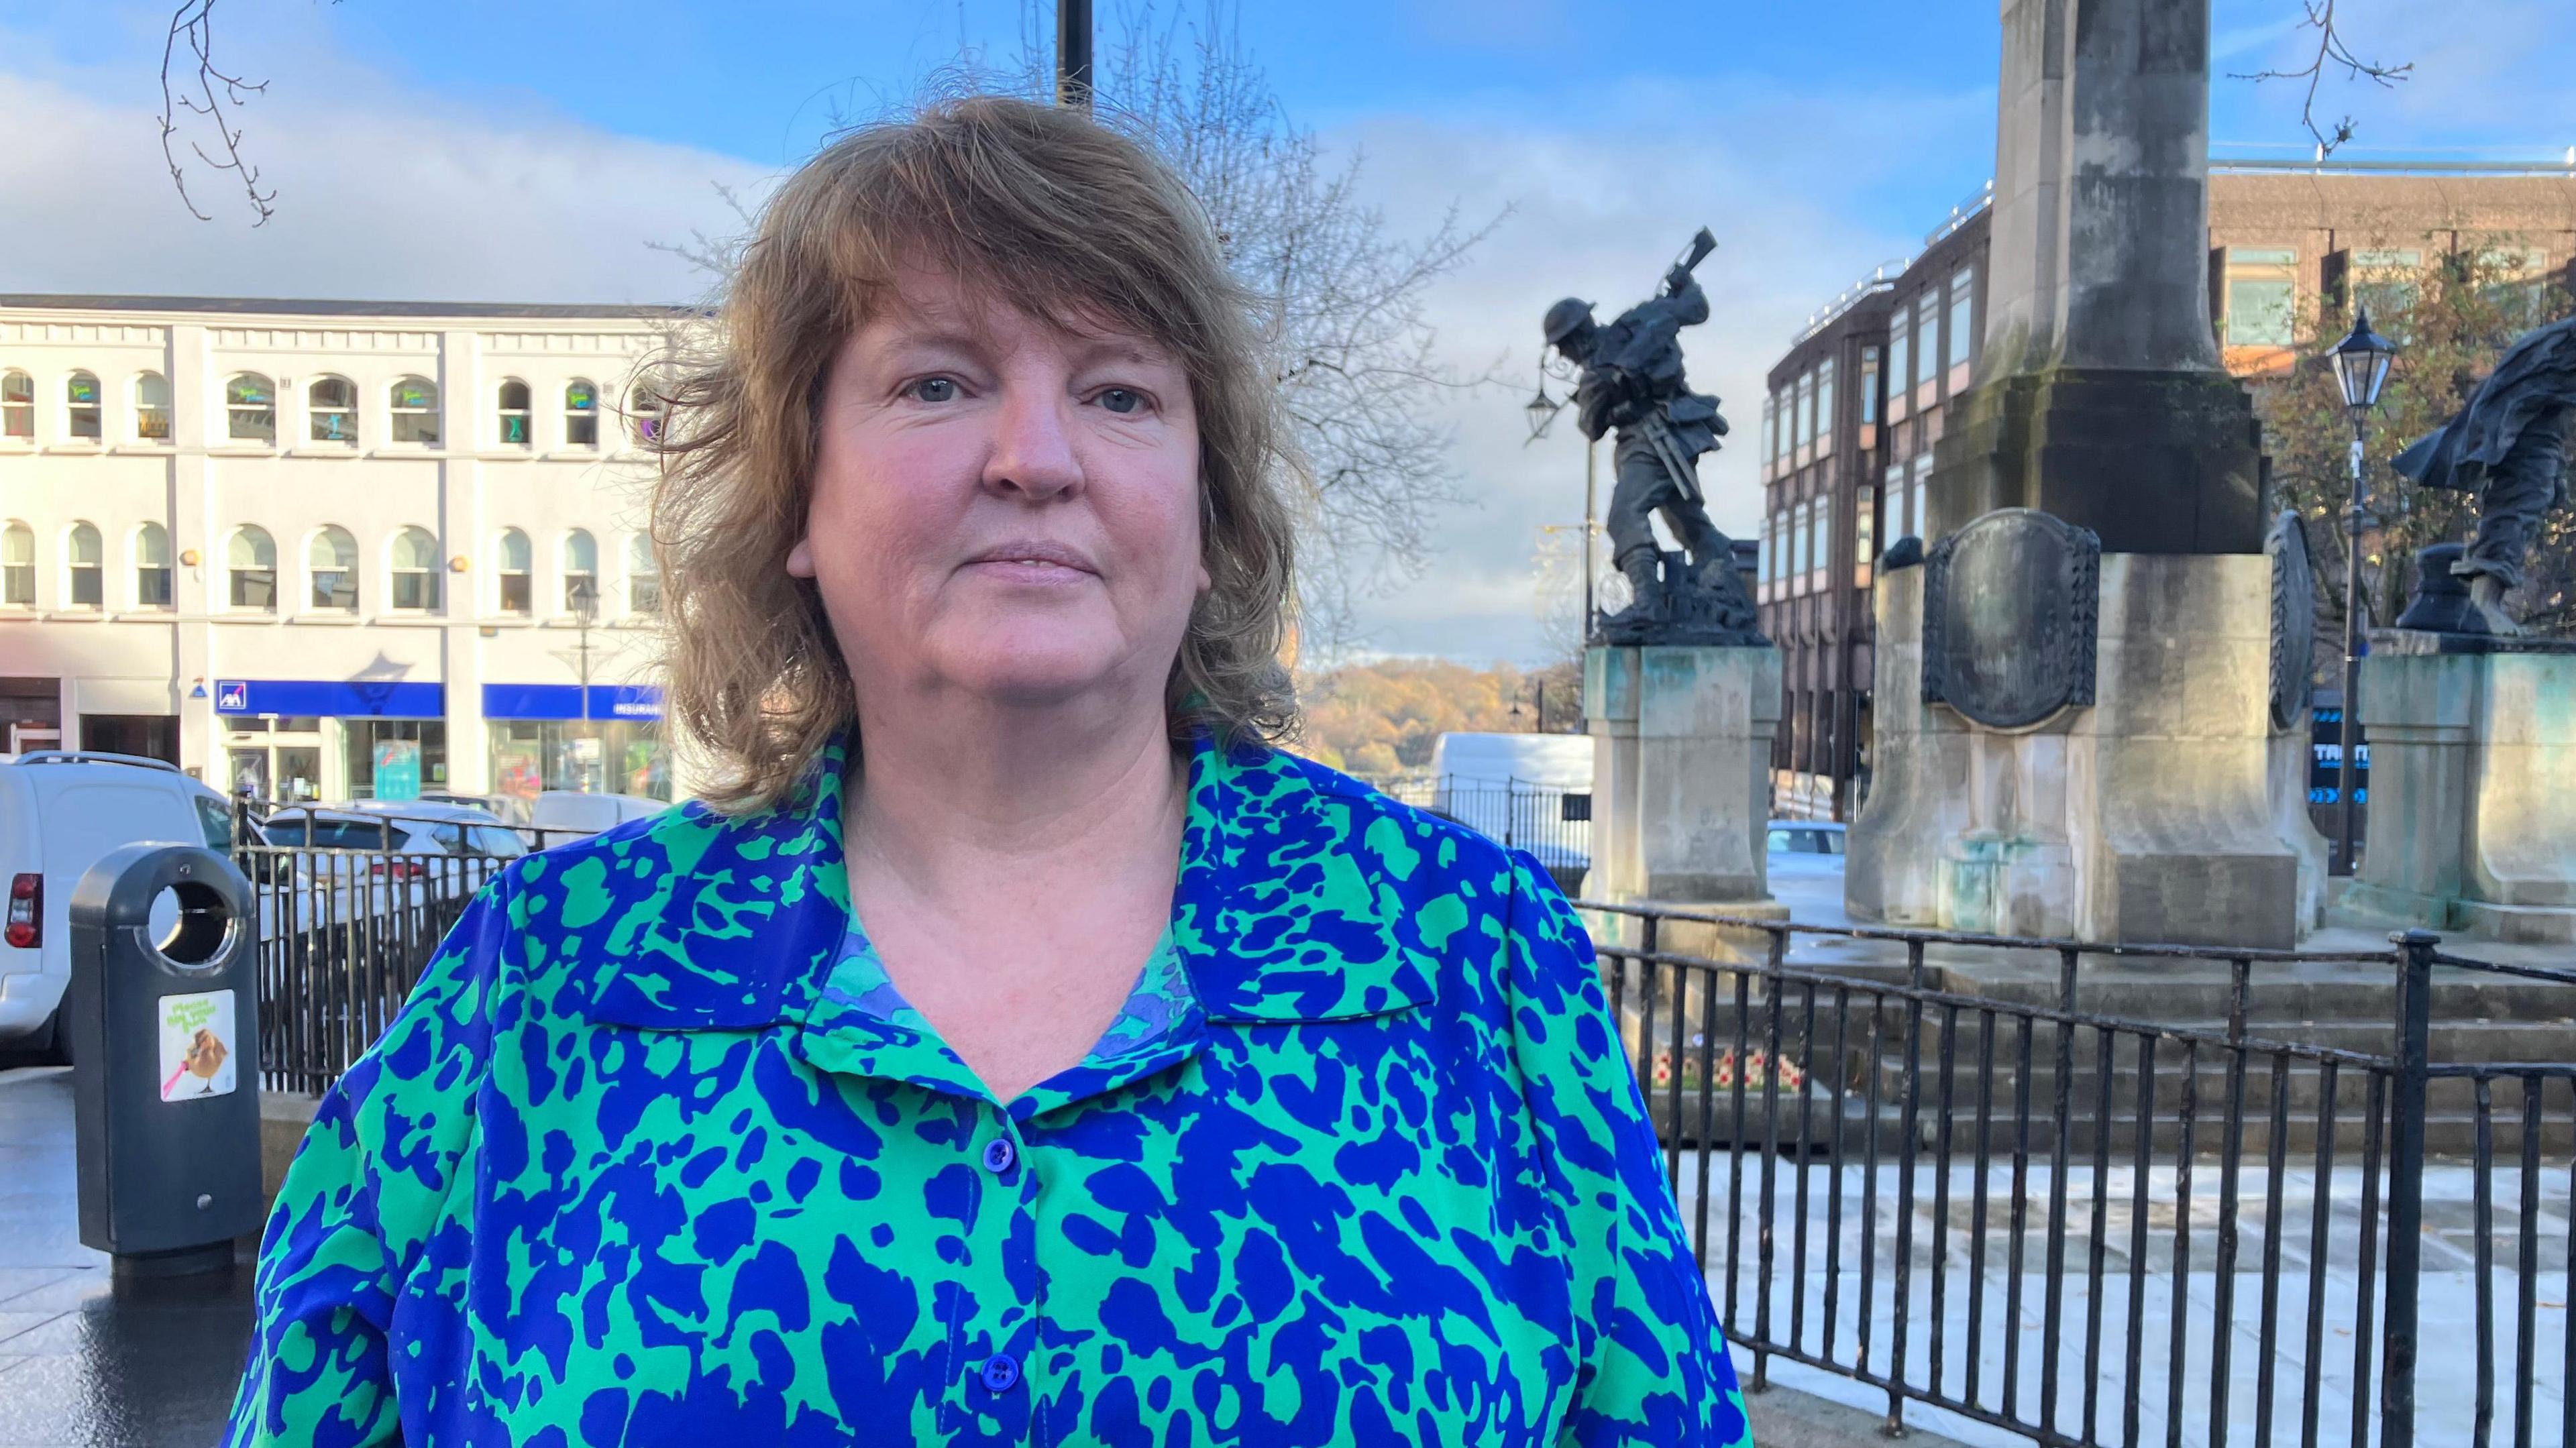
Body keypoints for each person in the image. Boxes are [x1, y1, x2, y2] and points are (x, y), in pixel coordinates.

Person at [226, 96, 1752, 1446]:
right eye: (939, 382)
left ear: (1204, 516)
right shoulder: (554, 977)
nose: (1036, 453)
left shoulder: (1471, 954)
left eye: (1119, 392)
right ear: (798, 495)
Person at [1543, 270, 1758, 641]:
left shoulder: (1636, 325)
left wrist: (1684, 282)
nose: (1564, 355)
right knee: (1689, 524)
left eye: (1563, 345)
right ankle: (1727, 591)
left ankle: (1649, 604)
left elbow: (1693, 308)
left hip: (1656, 439)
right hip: (1654, 441)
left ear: (1578, 337)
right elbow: (1593, 425)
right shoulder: (1602, 367)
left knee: (1625, 516)